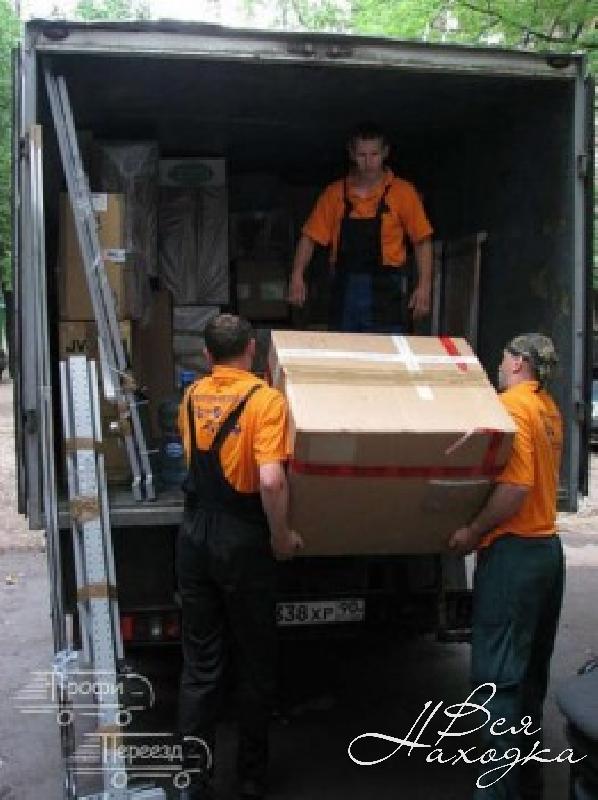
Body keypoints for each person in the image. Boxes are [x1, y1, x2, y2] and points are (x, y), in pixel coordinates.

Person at [177, 314, 304, 800]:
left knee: (201, 663)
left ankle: (193, 778)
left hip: (195, 535)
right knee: (254, 659)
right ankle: (250, 777)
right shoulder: (266, 401)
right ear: (252, 349)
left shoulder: (191, 396)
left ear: (207, 355)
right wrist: (281, 536)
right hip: (243, 537)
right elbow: (270, 479)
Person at [448, 333, 563, 800]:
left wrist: (472, 530)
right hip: (547, 552)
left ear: (518, 363)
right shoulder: (548, 408)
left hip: (514, 553)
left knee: (497, 682)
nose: (499, 364)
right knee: (529, 677)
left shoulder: (512, 407)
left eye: (502, 357)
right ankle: (527, 785)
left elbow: (515, 488)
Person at [288, 121, 433, 333]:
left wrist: (424, 287)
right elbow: (309, 238)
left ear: (385, 153)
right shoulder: (334, 194)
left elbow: (422, 241)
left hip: (385, 291)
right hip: (344, 291)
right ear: (352, 154)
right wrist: (297, 275)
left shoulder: (403, 193)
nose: (368, 162)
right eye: (362, 155)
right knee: (343, 349)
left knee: (386, 351)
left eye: (374, 154)